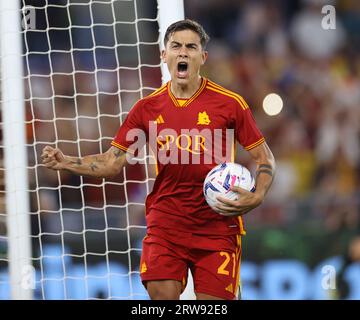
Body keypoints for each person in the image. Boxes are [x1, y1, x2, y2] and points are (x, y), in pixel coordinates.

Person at [41, 19, 276, 300]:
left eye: (191, 47)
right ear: (164, 55)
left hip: (217, 228)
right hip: (166, 226)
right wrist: (66, 161)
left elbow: (265, 158)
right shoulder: (146, 109)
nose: (183, 53)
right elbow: (112, 162)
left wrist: (258, 194)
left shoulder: (230, 104)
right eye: (176, 46)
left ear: (203, 57)